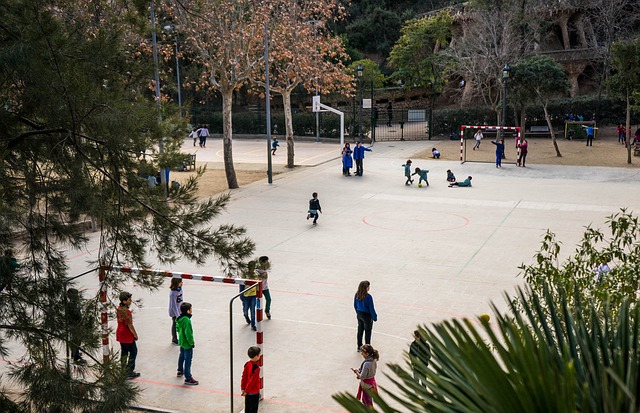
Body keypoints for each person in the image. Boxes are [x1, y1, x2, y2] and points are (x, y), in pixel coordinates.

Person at [116, 291, 140, 378]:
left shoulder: (119, 308)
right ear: (124, 301)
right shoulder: (127, 311)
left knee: (124, 352)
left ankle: (123, 369)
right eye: (129, 300)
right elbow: (130, 325)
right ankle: (129, 371)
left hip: (120, 333)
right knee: (133, 351)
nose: (130, 301)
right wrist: (135, 334)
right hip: (126, 334)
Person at [176, 302, 198, 385]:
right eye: (191, 309)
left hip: (181, 341)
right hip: (187, 343)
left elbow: (177, 328)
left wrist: (180, 336)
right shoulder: (187, 320)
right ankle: (188, 377)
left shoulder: (179, 318)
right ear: (188, 311)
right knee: (188, 360)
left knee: (181, 356)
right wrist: (191, 342)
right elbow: (188, 333)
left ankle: (180, 370)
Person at [352, 344, 379, 409]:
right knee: (367, 401)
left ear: (367, 354)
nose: (361, 354)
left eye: (363, 353)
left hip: (367, 385)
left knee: (367, 402)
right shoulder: (374, 359)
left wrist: (356, 372)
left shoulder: (366, 364)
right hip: (372, 383)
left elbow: (362, 377)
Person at [354, 281, 377, 351]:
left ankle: (359, 346)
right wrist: (374, 317)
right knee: (368, 331)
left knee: (360, 330)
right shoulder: (368, 297)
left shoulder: (357, 295)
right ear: (366, 288)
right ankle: (367, 347)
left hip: (359, 314)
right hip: (367, 316)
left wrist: (357, 313)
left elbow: (355, 305)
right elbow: (371, 308)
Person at [66, 288, 87, 365]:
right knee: (76, 340)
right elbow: (74, 315)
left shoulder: (76, 302)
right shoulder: (71, 304)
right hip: (74, 325)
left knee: (77, 340)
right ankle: (76, 358)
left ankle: (74, 353)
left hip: (77, 324)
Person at [241, 346, 262, 413]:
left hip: (247, 392)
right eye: (259, 354)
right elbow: (252, 382)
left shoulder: (247, 364)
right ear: (256, 356)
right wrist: (246, 391)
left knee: (247, 408)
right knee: (253, 409)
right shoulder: (256, 368)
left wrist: (243, 388)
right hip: (254, 392)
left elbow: (244, 377)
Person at [241, 260, 258, 331]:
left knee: (253, 311)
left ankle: (253, 324)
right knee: (245, 311)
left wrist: (258, 293)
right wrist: (241, 294)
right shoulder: (244, 275)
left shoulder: (255, 275)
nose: (252, 269)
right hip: (245, 295)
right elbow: (241, 285)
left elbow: (257, 285)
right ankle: (247, 317)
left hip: (253, 295)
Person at [168, 277, 183, 345]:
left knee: (180, 324)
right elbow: (174, 305)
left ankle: (181, 337)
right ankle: (174, 338)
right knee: (175, 323)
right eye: (180, 282)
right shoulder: (172, 293)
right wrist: (177, 315)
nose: (182, 283)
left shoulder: (180, 289)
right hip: (175, 312)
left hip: (180, 309)